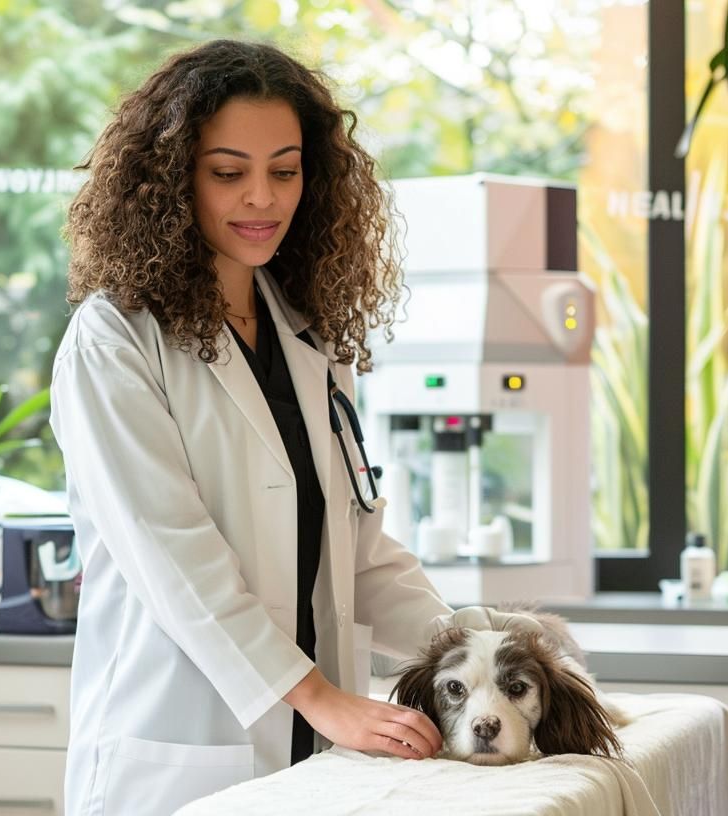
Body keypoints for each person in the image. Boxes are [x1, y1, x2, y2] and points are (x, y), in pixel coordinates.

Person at [51, 38, 525, 816]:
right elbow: (175, 559)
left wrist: (472, 651)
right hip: (185, 744)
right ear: (173, 180)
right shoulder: (115, 341)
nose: (263, 199)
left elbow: (359, 550)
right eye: (228, 172)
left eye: (286, 169)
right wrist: (320, 697)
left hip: (317, 754)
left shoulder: (305, 335)